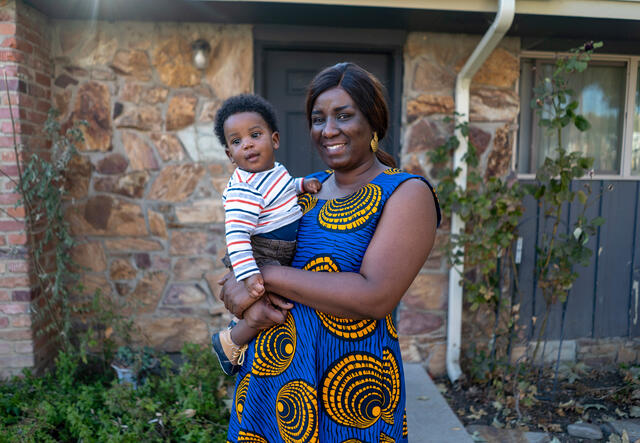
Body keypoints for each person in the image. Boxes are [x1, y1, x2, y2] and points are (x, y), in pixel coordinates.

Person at [218, 62, 441, 442]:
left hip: (348, 391)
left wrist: (264, 277)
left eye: (343, 116)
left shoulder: (405, 194)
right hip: (269, 384)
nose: (328, 130)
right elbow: (235, 272)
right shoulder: (305, 189)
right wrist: (242, 297)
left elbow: (374, 296)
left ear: (373, 121)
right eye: (318, 119)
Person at [211, 94, 321, 376]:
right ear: (230, 155)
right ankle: (230, 341)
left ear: (274, 141)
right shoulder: (244, 190)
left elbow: (283, 188)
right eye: (236, 142)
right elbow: (236, 236)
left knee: (273, 302)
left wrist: (301, 185)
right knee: (264, 304)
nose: (246, 143)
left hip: (278, 249)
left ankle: (236, 340)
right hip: (262, 253)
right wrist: (249, 276)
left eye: (255, 135)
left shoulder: (274, 173)